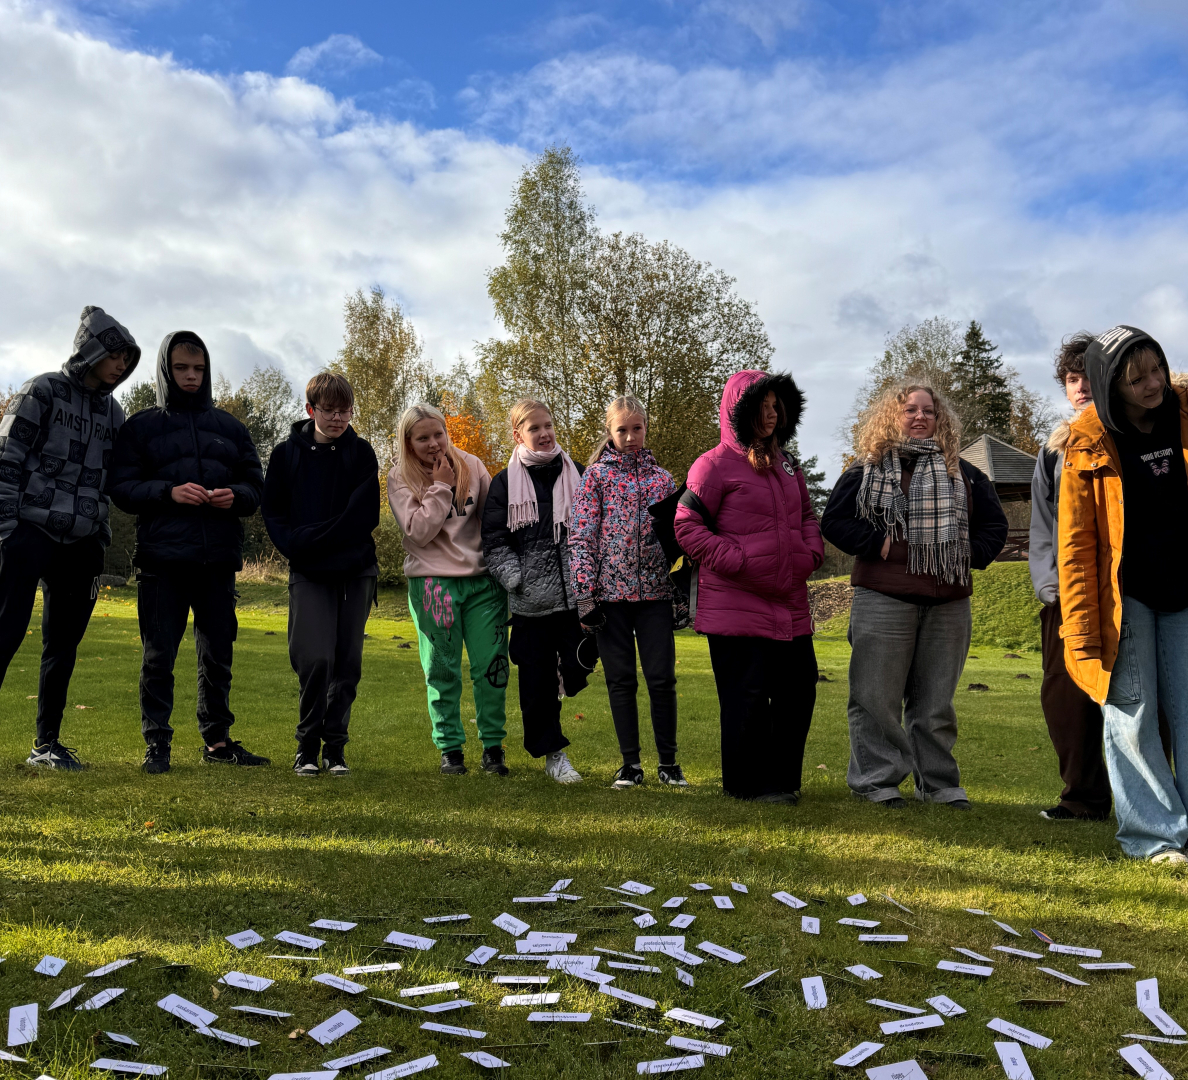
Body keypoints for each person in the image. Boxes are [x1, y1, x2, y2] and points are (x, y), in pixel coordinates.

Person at [821, 383, 1006, 810]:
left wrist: (967, 554)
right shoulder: (867, 469)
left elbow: (993, 529)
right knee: (875, 698)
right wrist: (875, 543)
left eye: (929, 411)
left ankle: (938, 784)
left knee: (936, 702)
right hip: (884, 597)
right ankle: (876, 781)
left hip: (949, 602)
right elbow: (833, 521)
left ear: (940, 419)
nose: (920, 417)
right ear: (893, 416)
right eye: (910, 410)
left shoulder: (967, 474)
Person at [110, 331, 268, 774]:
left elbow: (257, 489)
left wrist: (234, 496)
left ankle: (217, 742)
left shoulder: (231, 429)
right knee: (158, 655)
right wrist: (169, 492)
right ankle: (156, 742)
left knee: (218, 654)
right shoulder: (141, 427)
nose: (191, 376)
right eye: (181, 368)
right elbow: (120, 488)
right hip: (163, 560)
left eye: (198, 368)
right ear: (166, 369)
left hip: (217, 559)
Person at [1059, 326, 1188, 865]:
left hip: (1184, 592)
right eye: (1138, 378)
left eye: (1157, 369)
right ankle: (1155, 838)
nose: (1153, 384)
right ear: (1113, 384)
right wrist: (1082, 626)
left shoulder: (1184, 416)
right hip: (1124, 600)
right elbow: (1076, 545)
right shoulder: (1086, 443)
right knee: (1133, 714)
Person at [0, 306, 139, 769]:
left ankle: (46, 745)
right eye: (115, 355)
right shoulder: (41, 391)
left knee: (62, 646)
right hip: (28, 532)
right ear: (91, 350)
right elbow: (6, 458)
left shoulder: (114, 412)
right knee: (3, 634)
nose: (121, 364)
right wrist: (6, 531)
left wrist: (100, 534)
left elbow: (120, 478)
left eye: (127, 358)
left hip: (82, 543)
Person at [673, 371, 822, 803]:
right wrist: (736, 560)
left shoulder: (789, 466)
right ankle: (748, 785)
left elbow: (809, 518)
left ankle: (782, 780)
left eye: (777, 406)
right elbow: (686, 525)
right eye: (763, 406)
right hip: (735, 603)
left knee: (799, 689)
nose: (772, 414)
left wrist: (809, 554)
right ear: (740, 411)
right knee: (747, 698)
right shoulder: (712, 465)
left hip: (789, 601)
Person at [262, 372, 379, 778]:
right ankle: (306, 746)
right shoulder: (285, 455)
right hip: (309, 572)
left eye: (345, 410)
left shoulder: (361, 453)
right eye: (329, 410)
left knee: (348, 663)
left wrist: (310, 537)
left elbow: (362, 517)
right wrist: (299, 545)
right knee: (314, 658)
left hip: (357, 571)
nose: (338, 418)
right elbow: (274, 514)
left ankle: (335, 750)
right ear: (311, 410)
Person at [569, 395, 686, 789]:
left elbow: (679, 539)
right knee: (620, 680)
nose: (631, 436)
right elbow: (581, 537)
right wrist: (585, 595)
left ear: (646, 428)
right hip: (610, 599)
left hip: (654, 595)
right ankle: (630, 765)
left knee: (661, 678)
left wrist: (682, 590)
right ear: (610, 432)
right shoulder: (596, 477)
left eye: (637, 428)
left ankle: (669, 764)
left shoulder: (663, 480)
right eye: (622, 429)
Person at [389, 404, 510, 777]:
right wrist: (440, 486)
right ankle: (450, 749)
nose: (433, 443)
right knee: (441, 669)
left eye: (438, 434)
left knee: (491, 666)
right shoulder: (400, 478)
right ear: (408, 441)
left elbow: (494, 519)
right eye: (422, 437)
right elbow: (419, 532)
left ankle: (493, 748)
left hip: (482, 583)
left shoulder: (472, 466)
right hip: (433, 585)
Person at [482, 399, 588, 784]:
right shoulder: (504, 483)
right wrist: (516, 579)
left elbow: (593, 528)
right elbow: (493, 542)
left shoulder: (578, 472)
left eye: (548, 425)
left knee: (580, 667)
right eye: (534, 429)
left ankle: (565, 676)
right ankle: (553, 755)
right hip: (530, 604)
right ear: (518, 435)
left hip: (576, 598)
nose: (544, 434)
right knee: (536, 684)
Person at [1028, 334, 1111, 822]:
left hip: (1129, 592)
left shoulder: (1139, 437)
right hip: (1067, 595)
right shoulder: (1054, 449)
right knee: (1065, 699)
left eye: (1086, 376)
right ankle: (1082, 799)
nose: (1078, 387)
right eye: (1070, 379)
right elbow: (1042, 523)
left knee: (1139, 703)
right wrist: (1048, 585)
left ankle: (1156, 803)